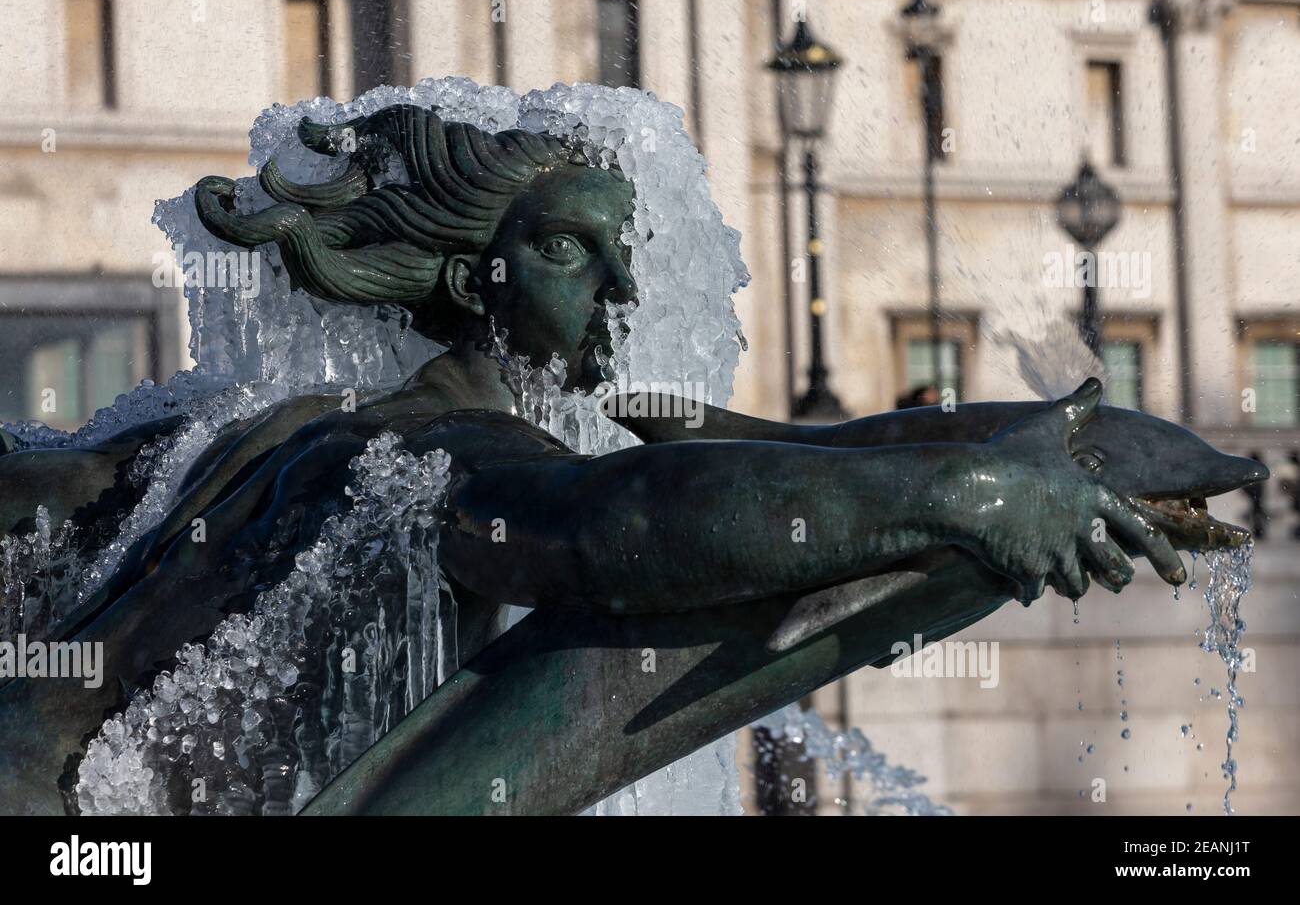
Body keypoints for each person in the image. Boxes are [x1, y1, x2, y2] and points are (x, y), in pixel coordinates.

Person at [0, 105, 1184, 813]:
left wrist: (996, 443)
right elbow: (606, 526)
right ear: (473, 279)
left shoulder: (251, 433)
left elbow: (42, 486)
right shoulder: (424, 448)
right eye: (568, 251)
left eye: (627, 257)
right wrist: (962, 494)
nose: (619, 290)